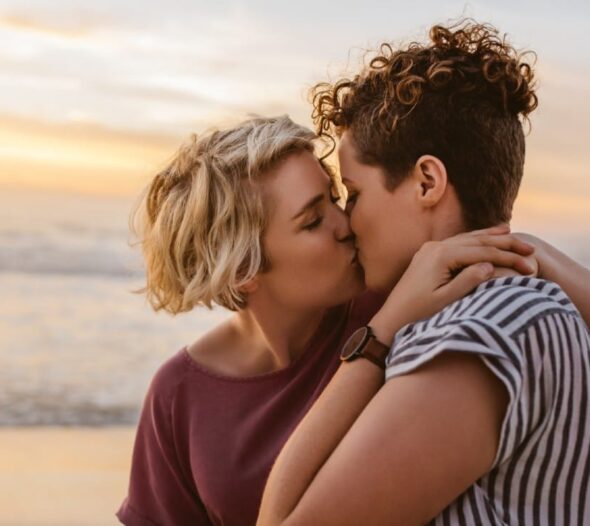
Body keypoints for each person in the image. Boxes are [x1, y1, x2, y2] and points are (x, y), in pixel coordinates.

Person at [117, 118, 588, 524]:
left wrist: (527, 248)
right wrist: (379, 334)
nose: (346, 224)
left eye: (337, 197)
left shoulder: (410, 302)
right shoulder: (179, 396)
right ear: (243, 270)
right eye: (312, 221)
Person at [257, 21, 590, 526]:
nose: (346, 221)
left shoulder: (480, 330)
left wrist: (379, 333)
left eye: (354, 193)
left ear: (427, 181)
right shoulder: (528, 306)